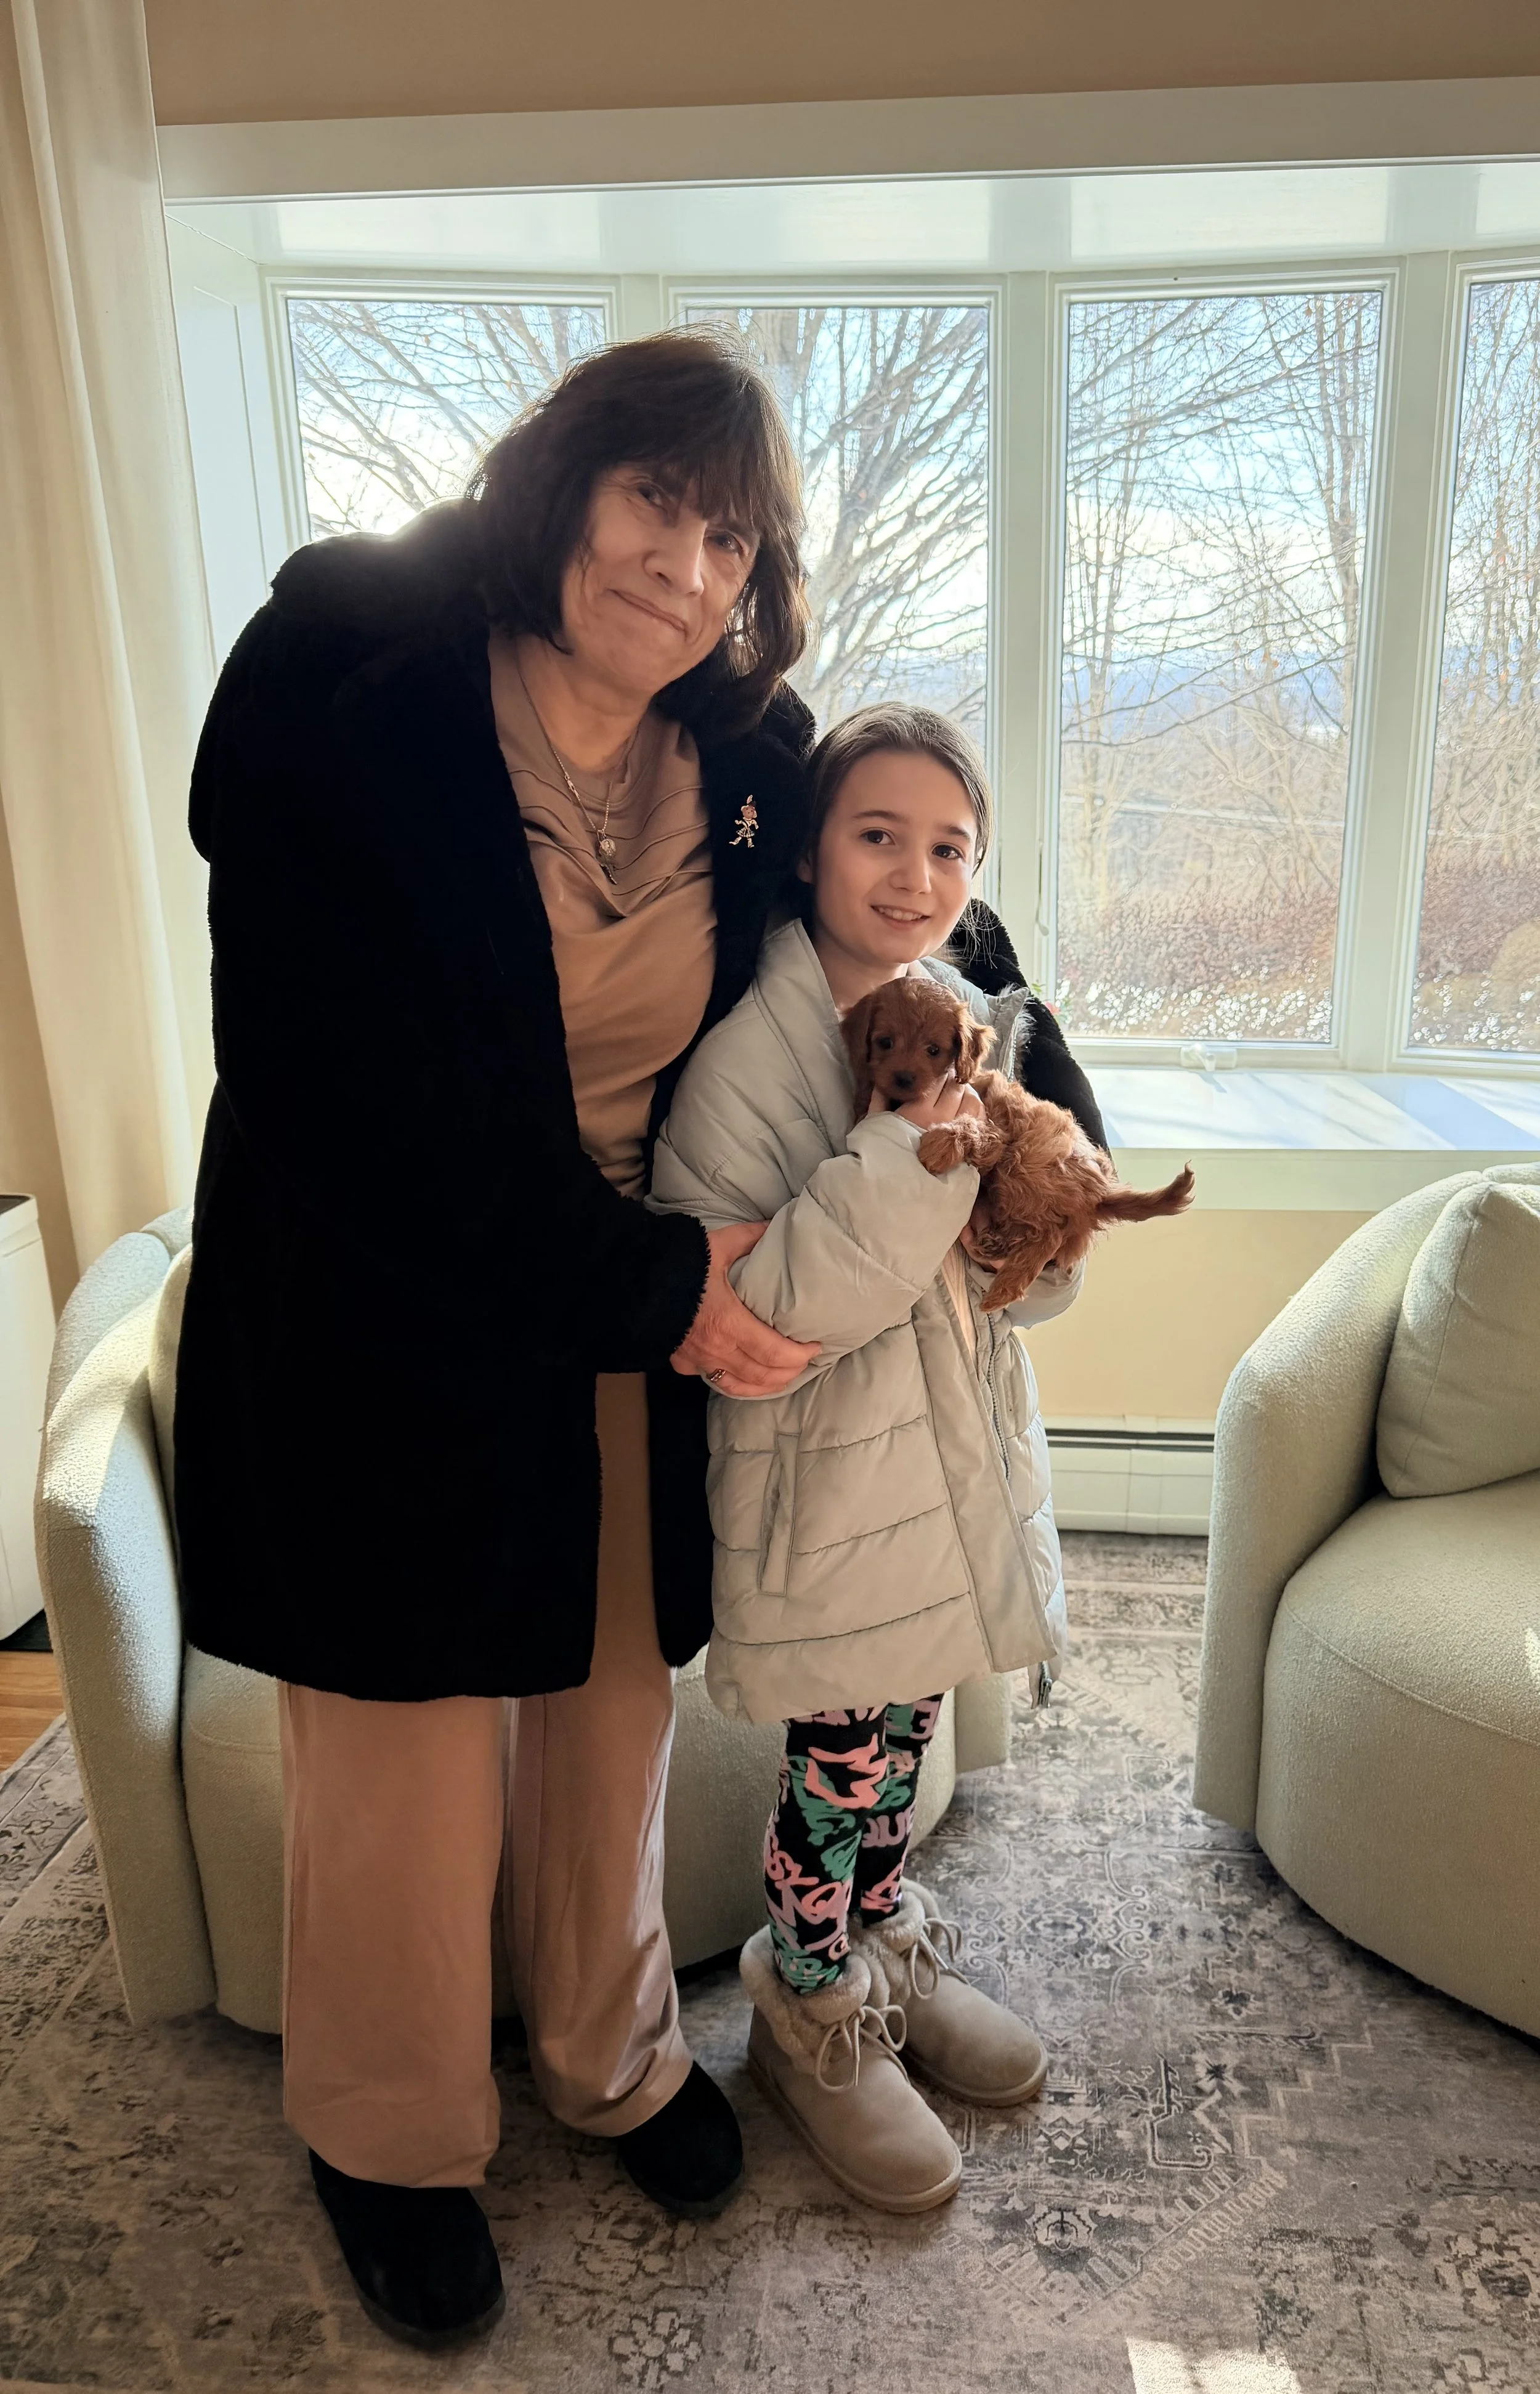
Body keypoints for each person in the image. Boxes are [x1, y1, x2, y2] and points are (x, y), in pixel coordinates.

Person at [173, 328, 825, 2350]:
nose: (685, 567)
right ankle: (387, 2132)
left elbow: (879, 933)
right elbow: (338, 1091)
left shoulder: (747, 756)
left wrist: (1002, 1088)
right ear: (563, 482)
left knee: (614, 1708)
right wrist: (658, 1288)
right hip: (379, 1304)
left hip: (626, 1310)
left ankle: (609, 2052)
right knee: (408, 1748)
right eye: (656, 502)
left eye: (731, 538)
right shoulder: (344, 675)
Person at [650, 704, 1102, 2215]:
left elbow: (1015, 1277)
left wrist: (1037, 1227)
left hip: (946, 1464)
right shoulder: (743, 1059)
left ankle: (884, 1931)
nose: (915, 874)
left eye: (949, 847)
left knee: (903, 1742)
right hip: (826, 1488)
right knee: (836, 1763)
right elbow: (766, 1309)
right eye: (878, 835)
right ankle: (806, 1999)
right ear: (810, 848)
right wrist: (915, 1153)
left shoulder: (978, 1023)